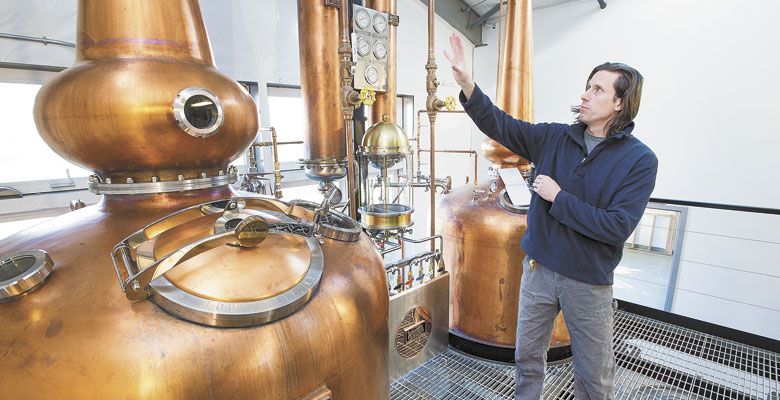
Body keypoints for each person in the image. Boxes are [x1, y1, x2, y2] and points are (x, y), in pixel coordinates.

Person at [445, 33, 658, 400]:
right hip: (539, 271)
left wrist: (558, 197)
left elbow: (617, 227)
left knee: (593, 375)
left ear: (621, 103)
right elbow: (501, 125)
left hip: (588, 282)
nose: (585, 95)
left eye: (597, 90)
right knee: (527, 358)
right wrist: (468, 85)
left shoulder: (639, 161)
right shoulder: (555, 138)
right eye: (587, 87)